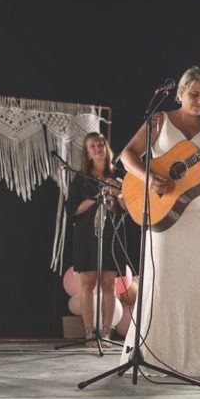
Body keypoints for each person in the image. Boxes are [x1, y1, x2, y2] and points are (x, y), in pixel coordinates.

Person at [119, 66, 200, 377]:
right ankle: (160, 354)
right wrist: (148, 178)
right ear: (181, 93)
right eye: (194, 94)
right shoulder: (160, 119)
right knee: (165, 280)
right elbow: (127, 155)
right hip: (164, 210)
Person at [66, 132, 127, 348]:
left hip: (111, 234)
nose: (98, 148)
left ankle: (106, 333)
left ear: (106, 147)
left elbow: (128, 208)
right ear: (87, 153)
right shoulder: (81, 178)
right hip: (86, 236)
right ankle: (90, 334)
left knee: (109, 284)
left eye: (100, 144)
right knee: (88, 285)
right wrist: (97, 195)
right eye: (92, 146)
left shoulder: (118, 174)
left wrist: (118, 193)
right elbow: (73, 210)